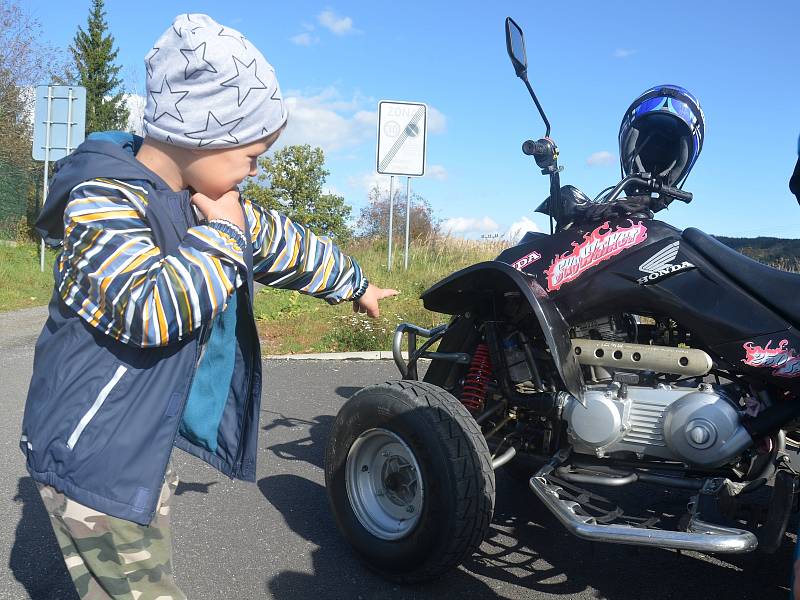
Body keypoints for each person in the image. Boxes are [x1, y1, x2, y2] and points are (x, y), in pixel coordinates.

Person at [21, 13, 397, 599]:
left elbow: (277, 242)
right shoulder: (103, 203)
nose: (255, 169)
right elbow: (148, 308)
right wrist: (221, 238)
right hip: (90, 454)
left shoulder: (201, 202)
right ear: (202, 135)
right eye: (252, 154)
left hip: (132, 439)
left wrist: (353, 283)